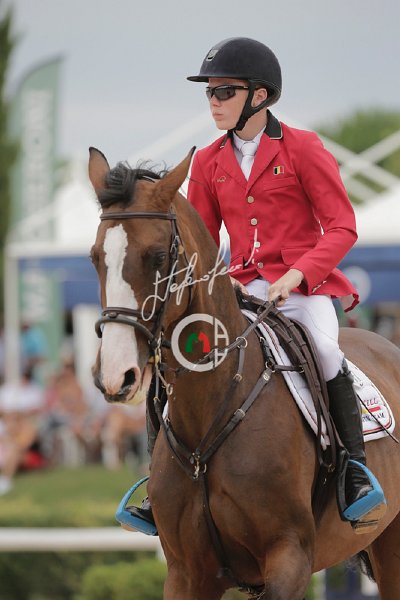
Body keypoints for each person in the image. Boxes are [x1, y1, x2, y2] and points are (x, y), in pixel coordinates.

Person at [127, 37, 386, 534]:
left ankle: (354, 470)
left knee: (326, 352)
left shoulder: (303, 148)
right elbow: (202, 241)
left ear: (259, 96)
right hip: (239, 290)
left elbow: (342, 226)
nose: (213, 101)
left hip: (302, 289)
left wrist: (299, 273)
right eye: (209, 92)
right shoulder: (207, 161)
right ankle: (156, 484)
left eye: (224, 91)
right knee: (179, 358)